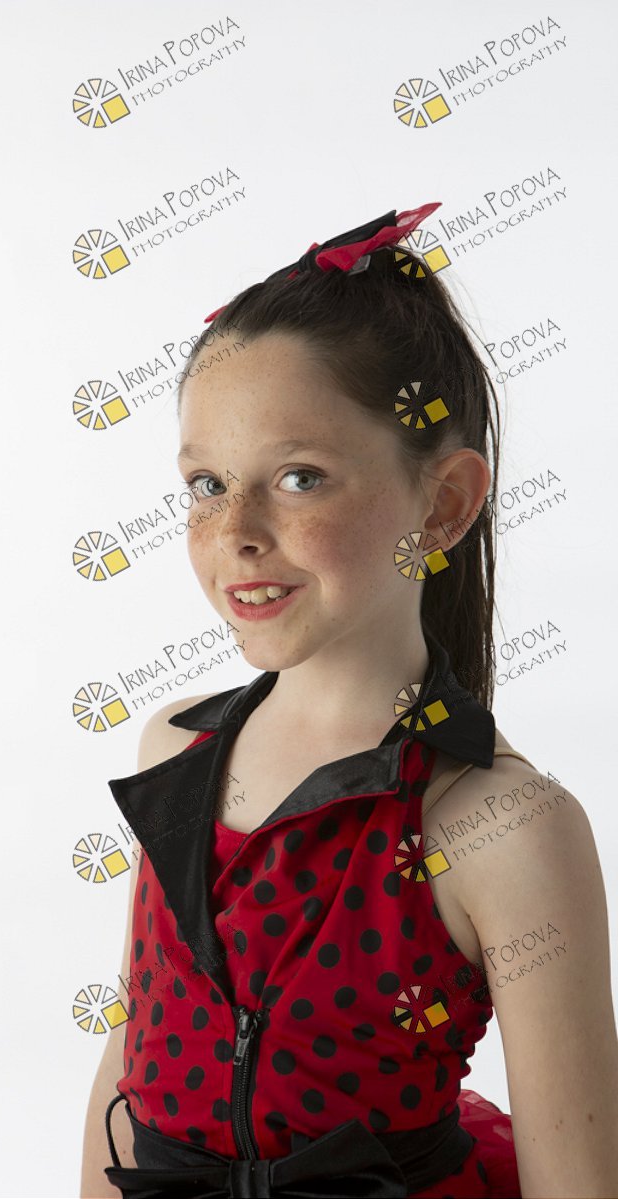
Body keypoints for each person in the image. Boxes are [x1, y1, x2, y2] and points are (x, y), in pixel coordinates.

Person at [80, 206, 618, 1198]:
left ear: (442, 504)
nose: (235, 531)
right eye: (207, 482)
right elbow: (130, 1068)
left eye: (299, 477)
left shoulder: (501, 826)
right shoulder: (173, 751)